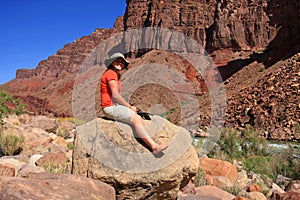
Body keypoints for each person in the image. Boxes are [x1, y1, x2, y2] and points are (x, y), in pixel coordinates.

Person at [100, 52, 169, 154]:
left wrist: (130, 108)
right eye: (117, 61)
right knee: (136, 119)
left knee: (138, 116)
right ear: (111, 62)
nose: (120, 63)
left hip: (114, 106)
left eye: (122, 62)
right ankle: (154, 147)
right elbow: (115, 95)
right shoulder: (111, 74)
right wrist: (129, 107)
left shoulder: (114, 75)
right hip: (110, 107)